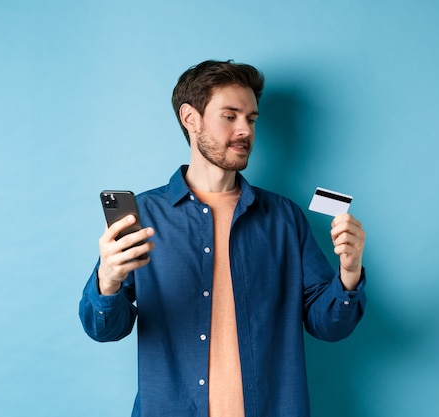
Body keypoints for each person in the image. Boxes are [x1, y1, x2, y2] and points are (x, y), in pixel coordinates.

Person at [79, 59, 367, 417]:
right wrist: (108, 281)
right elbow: (105, 329)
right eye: (230, 116)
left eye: (252, 119)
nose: (245, 130)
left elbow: (328, 326)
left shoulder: (284, 218)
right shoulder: (143, 215)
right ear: (191, 118)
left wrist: (350, 273)